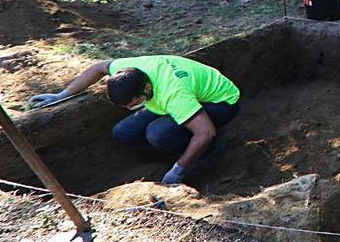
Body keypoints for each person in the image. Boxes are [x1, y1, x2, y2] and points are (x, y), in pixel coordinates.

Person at [29, 55, 241, 185]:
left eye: (134, 102)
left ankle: (208, 153)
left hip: (221, 102)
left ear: (146, 89)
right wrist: (62, 95)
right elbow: (98, 68)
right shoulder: (129, 70)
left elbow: (205, 132)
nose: (131, 108)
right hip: (174, 99)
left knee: (157, 133)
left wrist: (177, 170)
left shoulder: (174, 95)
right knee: (122, 132)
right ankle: (184, 143)